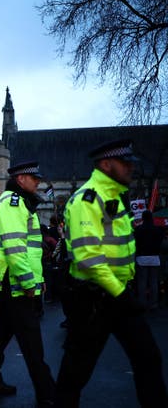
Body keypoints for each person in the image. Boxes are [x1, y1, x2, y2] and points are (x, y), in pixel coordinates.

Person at [55, 139, 167, 407]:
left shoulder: (115, 197)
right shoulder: (87, 199)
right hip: (93, 300)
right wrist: (122, 294)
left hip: (117, 295)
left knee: (149, 359)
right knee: (75, 374)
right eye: (124, 163)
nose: (130, 168)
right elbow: (88, 258)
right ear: (106, 164)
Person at [0, 161, 55, 406]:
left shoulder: (19, 203)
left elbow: (31, 250)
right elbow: (15, 250)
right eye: (35, 179)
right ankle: (48, 393)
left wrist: (39, 278)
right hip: (16, 284)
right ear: (21, 179)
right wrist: (29, 282)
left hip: (13, 282)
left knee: (0, 336)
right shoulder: (12, 204)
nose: (38, 183)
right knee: (32, 343)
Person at [135, 210, 164, 310]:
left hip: (141, 257)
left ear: (143, 218)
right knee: (153, 282)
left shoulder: (138, 229)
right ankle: (154, 303)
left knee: (142, 282)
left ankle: (142, 303)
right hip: (154, 258)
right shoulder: (158, 230)